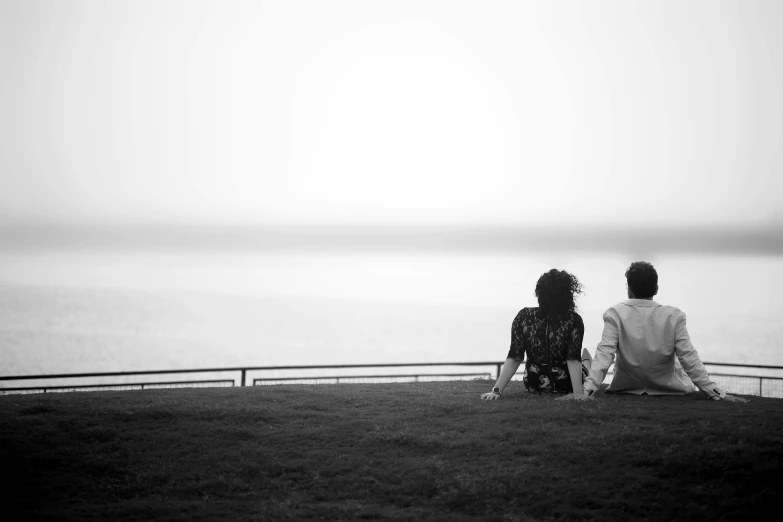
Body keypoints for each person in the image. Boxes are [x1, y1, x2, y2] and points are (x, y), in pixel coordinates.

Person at [583, 261, 747, 402]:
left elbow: (605, 353)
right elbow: (688, 356)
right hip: (671, 389)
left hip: (626, 388)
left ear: (629, 289)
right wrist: (717, 393)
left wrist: (587, 391)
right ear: (656, 289)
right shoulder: (674, 316)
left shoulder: (615, 313)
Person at [481, 269, 592, 401]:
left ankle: (587, 362)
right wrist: (578, 394)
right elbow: (573, 359)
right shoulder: (574, 320)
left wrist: (496, 391)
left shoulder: (523, 317)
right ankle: (588, 363)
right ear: (567, 294)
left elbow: (515, 358)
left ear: (539, 293)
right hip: (566, 385)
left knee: (582, 365)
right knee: (585, 368)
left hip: (534, 385)